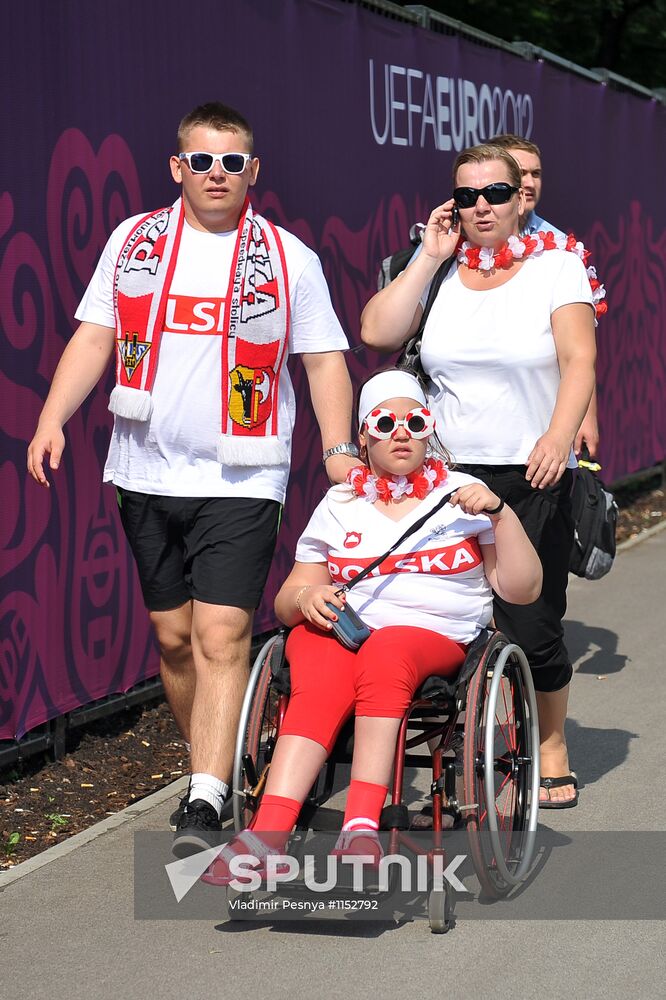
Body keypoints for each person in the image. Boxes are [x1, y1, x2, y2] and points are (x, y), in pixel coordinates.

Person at [26, 102, 358, 856]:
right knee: (175, 641)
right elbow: (96, 334)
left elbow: (324, 360)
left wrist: (337, 445)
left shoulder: (287, 258)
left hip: (243, 475)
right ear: (179, 167)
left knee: (221, 631)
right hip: (144, 469)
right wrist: (52, 418)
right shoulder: (134, 240)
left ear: (253, 172)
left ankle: (204, 797)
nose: (217, 174)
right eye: (202, 161)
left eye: (232, 162)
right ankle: (223, 761)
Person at [202, 369, 541, 882]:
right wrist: (307, 595)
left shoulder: (465, 493)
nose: (401, 432)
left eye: (414, 420)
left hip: (437, 637)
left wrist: (501, 514)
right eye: (385, 422)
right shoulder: (340, 503)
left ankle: (360, 825)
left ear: (430, 428)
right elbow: (288, 599)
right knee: (308, 649)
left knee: (389, 650)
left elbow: (522, 589)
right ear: (364, 435)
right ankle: (267, 832)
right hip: (351, 632)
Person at [361, 144, 597, 808]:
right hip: (446, 478)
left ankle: (550, 742)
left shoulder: (556, 267)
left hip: (533, 470)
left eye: (495, 193)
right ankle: (458, 745)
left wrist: (559, 436)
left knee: (533, 622)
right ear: (452, 203)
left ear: (521, 196)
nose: (481, 207)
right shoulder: (437, 272)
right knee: (443, 617)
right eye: (467, 197)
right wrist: (429, 258)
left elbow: (580, 359)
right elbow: (377, 331)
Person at [490, 133, 599, 458]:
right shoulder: (455, 241)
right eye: (518, 172)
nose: (528, 182)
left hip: (539, 408)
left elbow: (578, 348)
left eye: (535, 174)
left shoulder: (562, 247)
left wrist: (586, 416)